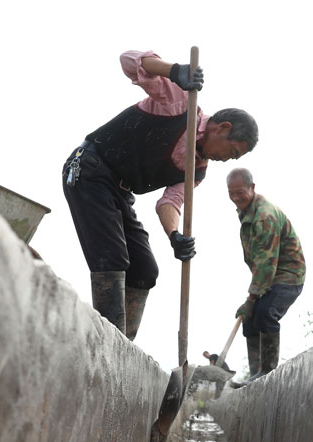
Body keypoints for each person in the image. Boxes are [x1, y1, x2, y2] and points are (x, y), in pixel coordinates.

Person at [63, 51, 258, 342]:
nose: (227, 160)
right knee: (112, 259)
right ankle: (104, 349)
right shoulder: (181, 104)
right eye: (232, 152)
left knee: (145, 269)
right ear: (223, 128)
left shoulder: (197, 171)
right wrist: (174, 71)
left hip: (119, 191)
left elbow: (170, 203)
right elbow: (129, 61)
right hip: (89, 167)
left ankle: (121, 346)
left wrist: (175, 236)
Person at [226, 168, 306, 381]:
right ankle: (255, 375)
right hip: (268, 275)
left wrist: (251, 298)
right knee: (249, 318)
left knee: (265, 312)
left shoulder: (264, 217)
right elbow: (261, 264)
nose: (235, 198)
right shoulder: (248, 211)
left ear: (252, 188)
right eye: (230, 193)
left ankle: (267, 373)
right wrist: (250, 302)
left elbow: (266, 265)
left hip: (288, 275)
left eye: (240, 192)